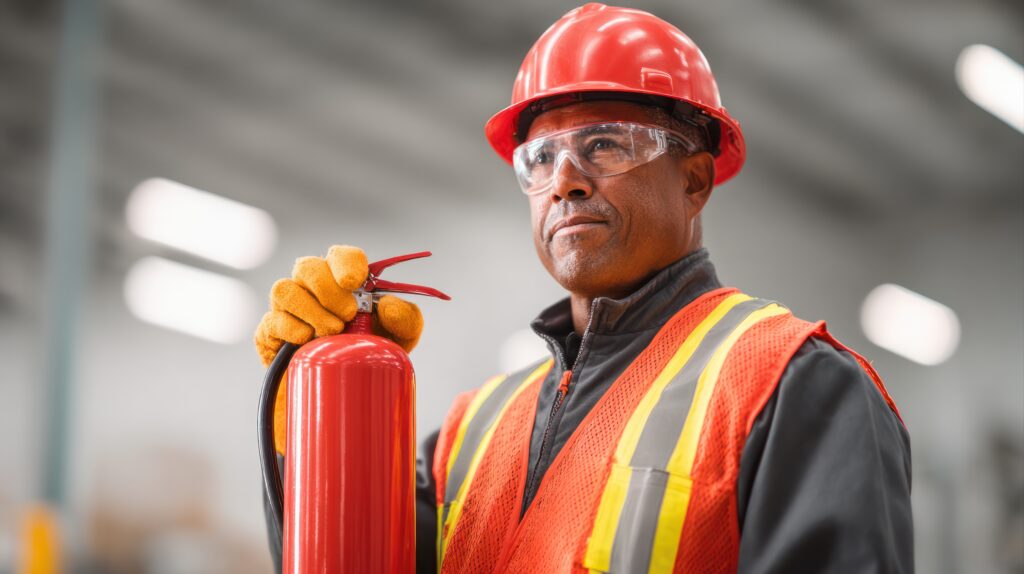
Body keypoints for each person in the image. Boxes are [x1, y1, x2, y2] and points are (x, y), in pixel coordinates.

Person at [254, 4, 913, 572]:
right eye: (540, 158)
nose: (564, 179)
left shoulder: (794, 387)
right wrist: (311, 436)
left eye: (604, 145)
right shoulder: (468, 432)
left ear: (695, 180)